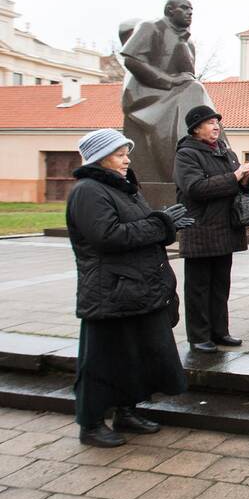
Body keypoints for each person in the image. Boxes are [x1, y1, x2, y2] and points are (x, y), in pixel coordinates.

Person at [66, 129, 189, 447]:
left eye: (126, 153)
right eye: (120, 154)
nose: (127, 159)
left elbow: (141, 228)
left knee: (133, 356)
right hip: (109, 291)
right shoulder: (89, 191)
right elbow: (108, 236)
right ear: (100, 158)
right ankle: (90, 424)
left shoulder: (123, 188)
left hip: (134, 289)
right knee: (101, 361)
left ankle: (126, 410)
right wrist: (160, 222)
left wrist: (165, 225)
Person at [174, 106, 249, 353]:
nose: (215, 126)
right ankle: (199, 336)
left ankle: (220, 331)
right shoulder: (186, 154)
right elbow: (195, 188)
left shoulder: (227, 152)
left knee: (221, 285)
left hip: (225, 228)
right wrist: (234, 177)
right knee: (199, 287)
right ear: (196, 128)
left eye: (217, 122)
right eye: (209, 123)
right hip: (200, 229)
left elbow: (242, 187)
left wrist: (245, 177)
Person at [120, 0, 221, 183]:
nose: (189, 13)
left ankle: (210, 156)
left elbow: (188, 74)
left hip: (177, 91)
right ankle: (183, 163)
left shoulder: (188, 41)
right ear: (169, 11)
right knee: (194, 91)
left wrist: (183, 77)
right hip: (146, 94)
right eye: (184, 8)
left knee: (197, 93)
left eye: (191, 9)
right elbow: (131, 59)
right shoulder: (151, 27)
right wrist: (168, 81)